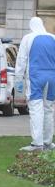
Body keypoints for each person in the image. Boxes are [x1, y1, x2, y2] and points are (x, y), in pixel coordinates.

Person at [15, 17, 55, 151]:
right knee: (49, 109)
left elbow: (22, 59)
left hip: (36, 77)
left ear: (31, 26)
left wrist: (18, 78)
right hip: (52, 77)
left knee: (36, 109)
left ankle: (37, 143)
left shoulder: (28, 38)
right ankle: (48, 142)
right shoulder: (53, 38)